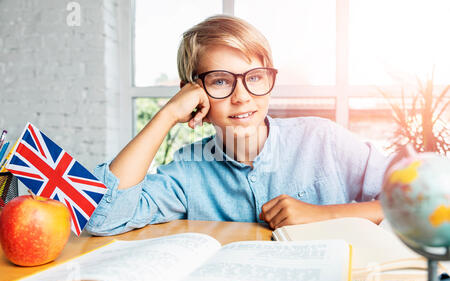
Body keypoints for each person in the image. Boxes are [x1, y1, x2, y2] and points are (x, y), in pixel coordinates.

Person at [86, 15, 390, 236]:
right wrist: (167, 114)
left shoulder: (322, 140)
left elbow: (418, 200)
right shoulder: (188, 171)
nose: (242, 97)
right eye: (220, 81)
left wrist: (325, 215)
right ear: (191, 91)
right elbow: (104, 217)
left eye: (254, 77)